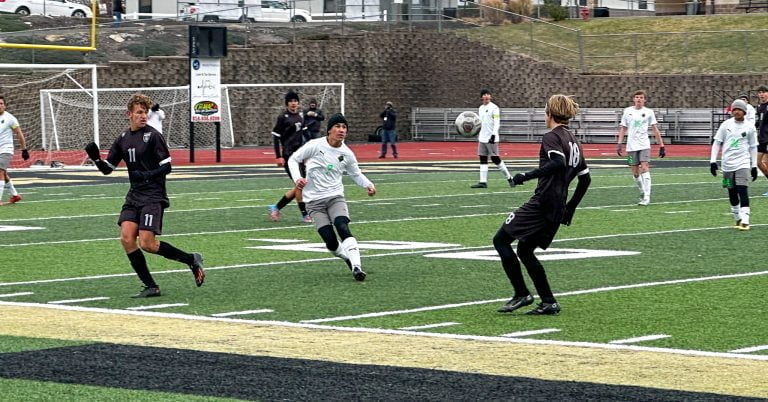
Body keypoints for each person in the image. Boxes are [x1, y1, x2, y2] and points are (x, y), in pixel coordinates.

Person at [84, 93, 205, 298]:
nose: (143, 117)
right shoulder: (122, 139)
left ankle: (191, 259)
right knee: (126, 238)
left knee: (147, 244)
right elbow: (107, 170)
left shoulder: (153, 136)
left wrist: (147, 175)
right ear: (129, 114)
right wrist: (96, 158)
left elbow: (167, 167)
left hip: (153, 196)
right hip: (134, 196)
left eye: (145, 113)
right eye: (139, 113)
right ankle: (151, 286)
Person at [495, 94, 591, 315]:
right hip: (557, 207)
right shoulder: (574, 141)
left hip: (542, 203)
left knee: (500, 240)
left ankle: (521, 294)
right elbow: (585, 179)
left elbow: (557, 163)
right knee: (525, 250)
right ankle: (548, 301)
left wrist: (525, 176)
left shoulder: (551, 137)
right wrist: (570, 208)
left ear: (549, 113)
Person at [288, 113, 376, 281]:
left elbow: (356, 174)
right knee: (330, 241)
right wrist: (297, 178)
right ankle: (347, 259)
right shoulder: (314, 145)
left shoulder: (347, 154)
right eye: (337, 126)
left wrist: (368, 185)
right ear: (329, 130)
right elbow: (293, 159)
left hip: (335, 197)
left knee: (342, 226)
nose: (341, 130)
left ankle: (357, 267)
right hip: (313, 202)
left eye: (344, 127)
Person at [710, 99, 758, 231]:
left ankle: (745, 220)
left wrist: (754, 166)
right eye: (734, 109)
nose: (736, 111)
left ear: (744, 111)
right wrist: (713, 161)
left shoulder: (750, 127)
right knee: (731, 191)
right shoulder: (726, 125)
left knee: (743, 189)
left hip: (743, 163)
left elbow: (753, 147)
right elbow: (717, 142)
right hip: (727, 165)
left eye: (739, 109)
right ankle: (737, 217)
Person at [268, 90, 312, 223]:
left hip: (300, 156)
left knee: (302, 185)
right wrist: (278, 156)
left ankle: (276, 207)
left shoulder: (301, 115)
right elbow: (276, 137)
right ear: (287, 103)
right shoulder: (283, 117)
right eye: (291, 101)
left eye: (295, 101)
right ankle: (305, 214)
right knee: (300, 185)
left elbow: (307, 135)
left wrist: (311, 151)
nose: (293, 103)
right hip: (288, 156)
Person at [616, 89, 666, 206]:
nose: (639, 99)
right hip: (631, 146)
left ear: (644, 100)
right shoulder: (627, 111)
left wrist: (661, 145)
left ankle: (647, 197)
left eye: (641, 97)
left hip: (644, 145)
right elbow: (623, 128)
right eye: (637, 97)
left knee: (644, 167)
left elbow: (655, 129)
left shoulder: (649, 112)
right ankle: (642, 191)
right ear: (634, 99)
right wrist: (619, 143)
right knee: (635, 172)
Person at [470, 88, 512, 188]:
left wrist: (493, 134)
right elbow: (479, 122)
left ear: (490, 96)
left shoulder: (494, 108)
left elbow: (497, 122)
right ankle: (483, 182)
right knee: (482, 158)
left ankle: (510, 178)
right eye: (484, 94)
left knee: (495, 159)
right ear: (481, 97)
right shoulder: (480, 108)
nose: (486, 96)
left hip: (491, 138)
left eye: (488, 94)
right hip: (482, 137)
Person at [0, 96, 29, 206]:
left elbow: (19, 133)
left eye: (1, 103)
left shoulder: (10, 118)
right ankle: (15, 195)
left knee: (0, 171)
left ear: (5, 105)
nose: (0, 105)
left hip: (6, 149)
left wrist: (24, 149)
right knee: (4, 173)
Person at [754, 85, 768, 195]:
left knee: (766, 162)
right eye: (759, 92)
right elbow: (758, 122)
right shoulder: (759, 106)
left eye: (763, 92)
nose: (761, 94)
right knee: (758, 162)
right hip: (761, 138)